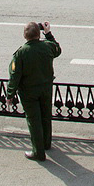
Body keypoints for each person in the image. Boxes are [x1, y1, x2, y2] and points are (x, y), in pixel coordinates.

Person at [6, 21, 61, 162]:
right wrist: (48, 33)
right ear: (38, 34)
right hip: (46, 89)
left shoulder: (21, 53)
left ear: (25, 35)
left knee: (34, 120)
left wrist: (10, 94)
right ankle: (46, 144)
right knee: (45, 116)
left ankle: (38, 152)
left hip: (29, 92)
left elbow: (15, 75)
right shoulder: (47, 47)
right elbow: (57, 49)